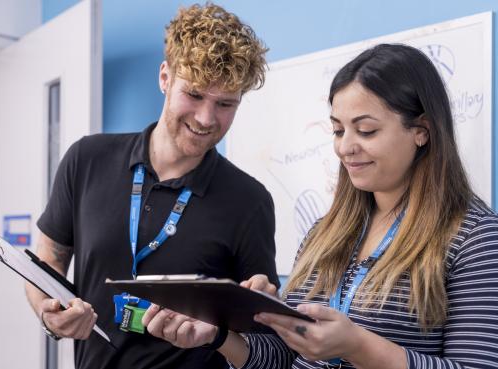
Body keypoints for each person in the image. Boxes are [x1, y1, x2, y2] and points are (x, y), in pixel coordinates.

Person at [142, 43, 498, 369]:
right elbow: (286, 358)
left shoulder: (476, 238)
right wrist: (219, 336)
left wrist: (357, 345)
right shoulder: (324, 232)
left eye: (367, 131)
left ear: (422, 131)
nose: (346, 147)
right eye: (339, 130)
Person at [24, 3, 280, 369]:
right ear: (165, 77)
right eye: (193, 95)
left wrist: (258, 304)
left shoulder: (250, 201)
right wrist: (49, 313)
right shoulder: (86, 159)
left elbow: (259, 341)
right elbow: (48, 259)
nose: (207, 119)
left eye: (225, 104)